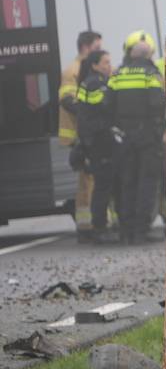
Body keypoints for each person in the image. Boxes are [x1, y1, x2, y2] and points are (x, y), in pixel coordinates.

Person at [108, 31, 166, 245]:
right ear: (149, 53)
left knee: (127, 181)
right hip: (147, 136)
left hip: (123, 137)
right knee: (147, 182)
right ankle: (141, 230)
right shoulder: (150, 73)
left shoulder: (118, 74)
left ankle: (126, 230)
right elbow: (158, 104)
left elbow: (108, 104)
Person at [59, 30, 103, 242]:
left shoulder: (83, 68)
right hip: (78, 134)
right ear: (85, 47)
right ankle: (87, 226)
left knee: (88, 180)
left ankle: (88, 225)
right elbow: (66, 99)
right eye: (96, 47)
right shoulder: (73, 71)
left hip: (85, 132)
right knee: (88, 180)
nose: (100, 51)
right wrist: (89, 111)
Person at [73, 50, 120, 244]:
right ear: (95, 65)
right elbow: (106, 107)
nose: (110, 66)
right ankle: (100, 227)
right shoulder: (96, 84)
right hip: (99, 142)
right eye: (106, 63)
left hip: (93, 141)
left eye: (110, 62)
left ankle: (100, 226)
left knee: (103, 184)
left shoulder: (88, 82)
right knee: (103, 186)